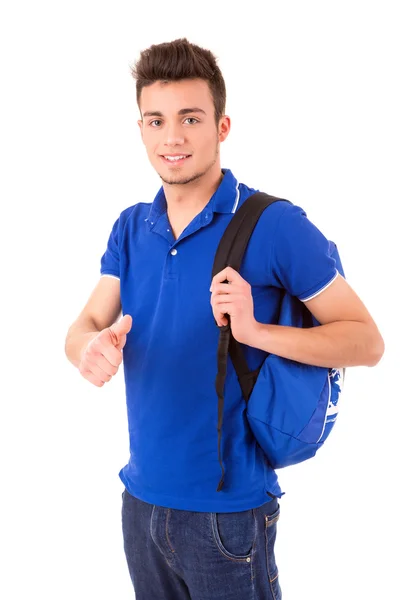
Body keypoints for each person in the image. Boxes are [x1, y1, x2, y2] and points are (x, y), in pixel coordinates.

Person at [64, 37, 385, 600]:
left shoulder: (273, 223)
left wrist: (256, 331)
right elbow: (86, 322)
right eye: (156, 120)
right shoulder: (130, 227)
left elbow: (366, 341)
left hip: (228, 517)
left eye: (191, 118)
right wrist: (87, 349)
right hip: (140, 505)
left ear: (222, 126)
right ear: (139, 128)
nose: (173, 137)